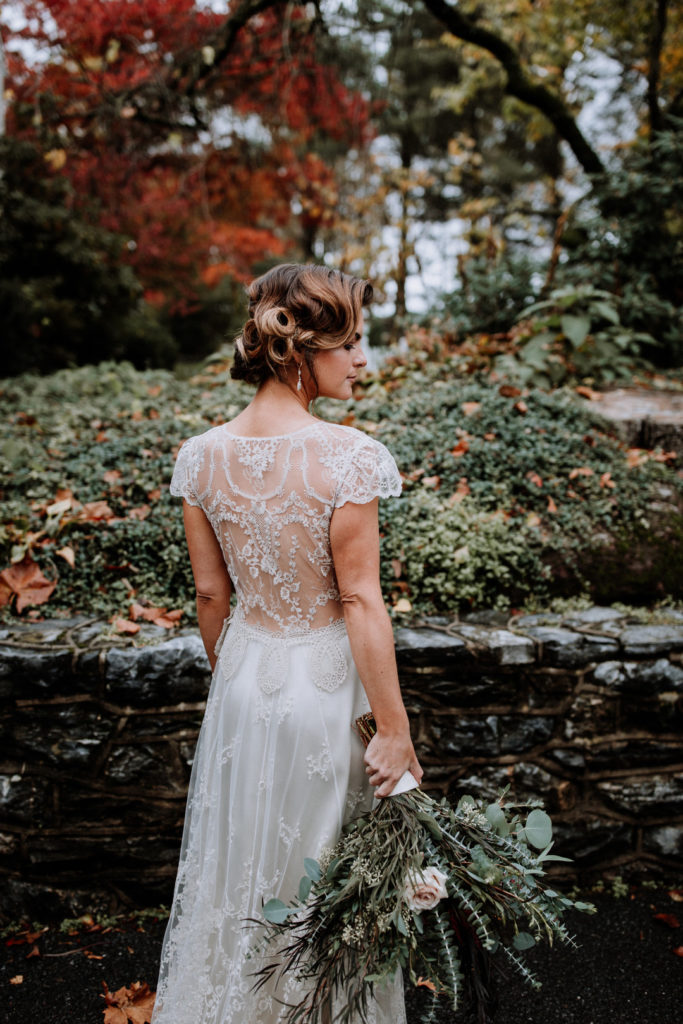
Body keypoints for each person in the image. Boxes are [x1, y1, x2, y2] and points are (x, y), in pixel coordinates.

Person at [151, 263, 423, 1024]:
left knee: (239, 874)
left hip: (240, 685)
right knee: (322, 882)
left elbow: (211, 597)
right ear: (300, 352)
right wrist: (394, 732)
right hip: (327, 689)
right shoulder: (347, 456)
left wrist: (238, 673)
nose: (364, 360)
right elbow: (361, 599)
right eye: (353, 343)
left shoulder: (200, 457)